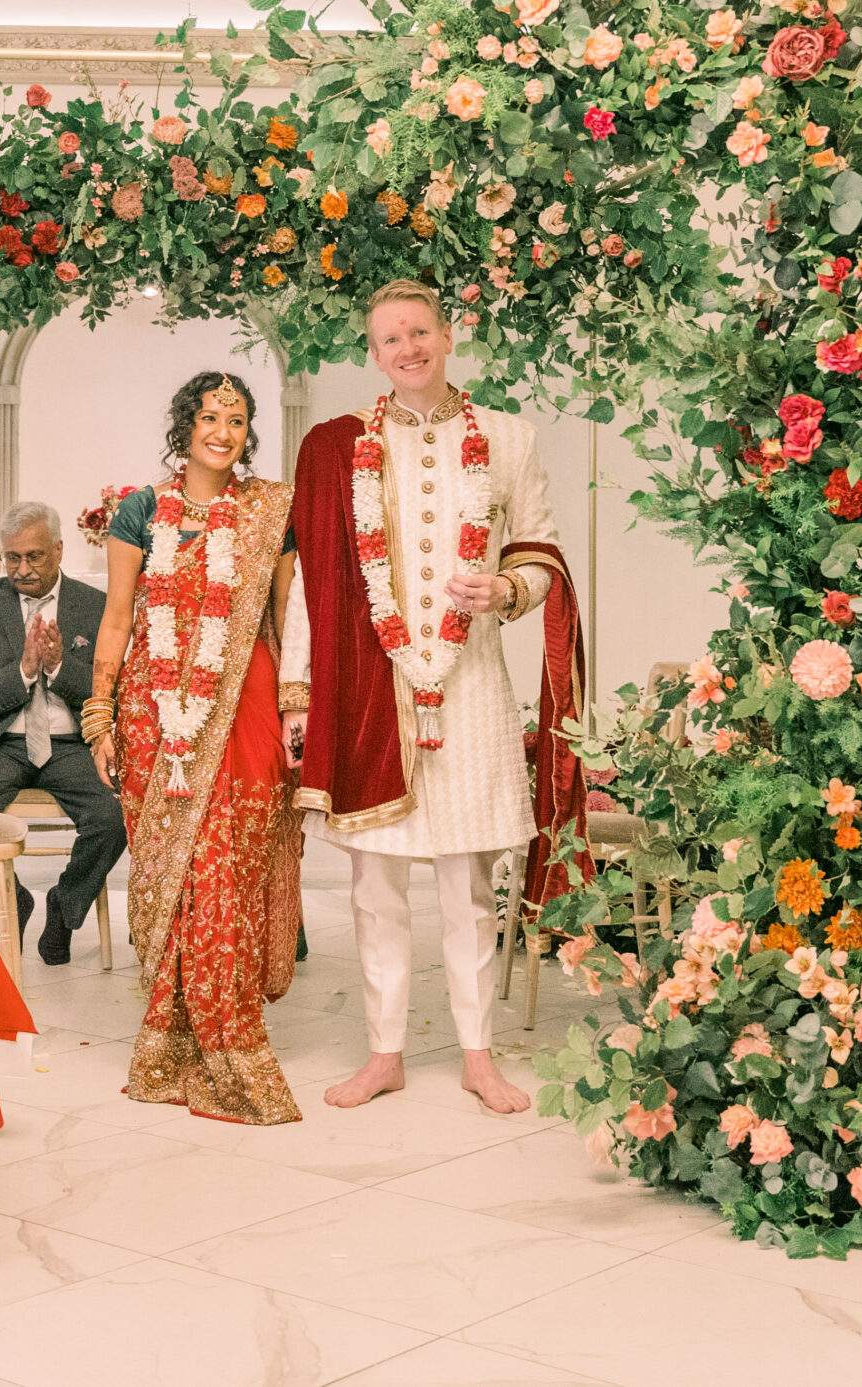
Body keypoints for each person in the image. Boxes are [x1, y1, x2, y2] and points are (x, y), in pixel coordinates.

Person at [291, 278, 585, 1115]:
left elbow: (543, 550)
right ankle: (383, 1052)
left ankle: (478, 1055)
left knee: (470, 887)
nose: (407, 348)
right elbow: (316, 579)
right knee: (374, 887)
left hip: (471, 686)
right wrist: (302, 692)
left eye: (419, 331)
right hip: (373, 689)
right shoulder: (343, 447)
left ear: (449, 336)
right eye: (389, 339)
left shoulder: (507, 436)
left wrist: (509, 590)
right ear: (374, 355)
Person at [84, 372, 309, 1124]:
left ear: (249, 433)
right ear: (185, 425)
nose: (222, 429)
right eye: (210, 415)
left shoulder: (273, 510)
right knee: (174, 871)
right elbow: (118, 616)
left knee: (228, 868)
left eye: (236, 419)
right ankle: (170, 1035)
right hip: (158, 714)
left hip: (244, 703)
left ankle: (229, 1033)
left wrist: (295, 710)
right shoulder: (142, 509)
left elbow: (285, 619)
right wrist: (99, 714)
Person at [0, 502, 124, 964]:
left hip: (72, 745)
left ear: (59, 550)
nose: (22, 569)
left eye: (34, 557)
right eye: (12, 558)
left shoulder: (96, 606)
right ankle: (11, 898)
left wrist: (60, 667)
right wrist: (23, 671)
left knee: (116, 814)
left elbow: (114, 695)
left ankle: (65, 906)